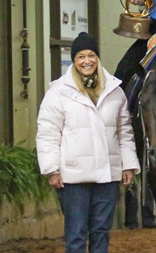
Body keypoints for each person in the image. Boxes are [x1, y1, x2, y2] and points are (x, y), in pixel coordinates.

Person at [36, 32, 140, 253]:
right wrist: (51, 169)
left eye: (91, 55)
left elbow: (124, 132)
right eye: (81, 56)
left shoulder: (115, 91)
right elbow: (47, 134)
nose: (87, 61)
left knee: (101, 232)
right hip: (73, 178)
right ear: (74, 61)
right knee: (76, 234)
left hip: (107, 176)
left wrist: (129, 164)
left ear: (98, 58)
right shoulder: (57, 93)